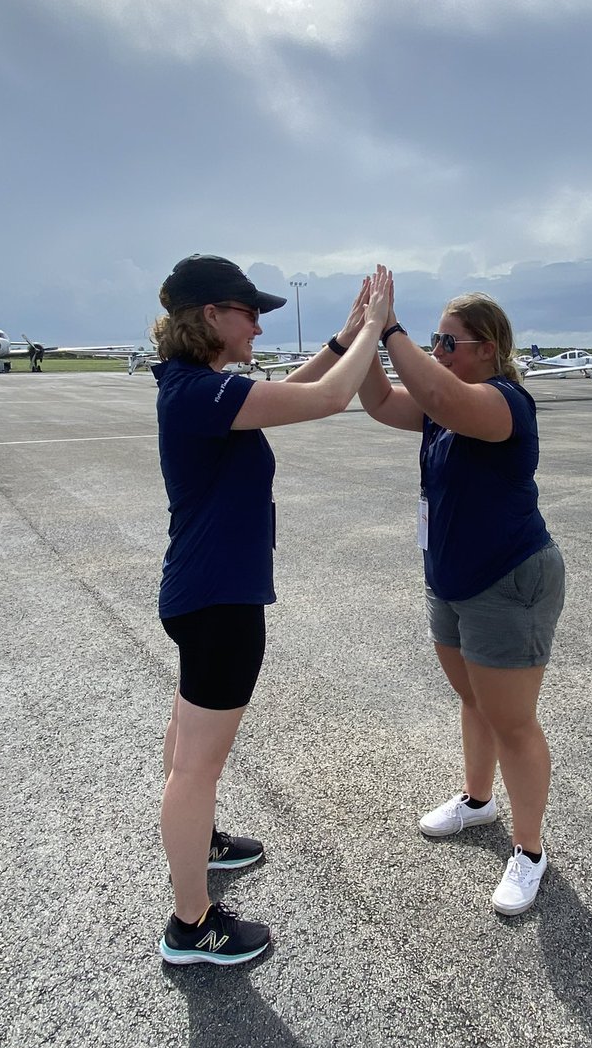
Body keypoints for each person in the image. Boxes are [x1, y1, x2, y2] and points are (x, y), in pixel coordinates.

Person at [151, 254, 390, 965]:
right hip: (218, 600)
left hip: (204, 592)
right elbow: (326, 401)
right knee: (195, 764)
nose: (258, 322)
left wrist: (347, 338)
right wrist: (377, 327)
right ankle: (192, 925)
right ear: (210, 318)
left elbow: (290, 390)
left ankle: (205, 842)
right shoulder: (198, 392)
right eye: (248, 310)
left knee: (187, 742)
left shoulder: (203, 388)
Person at [344, 271, 565, 916]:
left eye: (449, 340)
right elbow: (384, 401)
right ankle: (477, 801)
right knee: (473, 698)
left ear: (489, 350)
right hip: (451, 578)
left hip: (508, 579)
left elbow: (436, 392)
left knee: (513, 721)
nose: (438, 351)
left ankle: (529, 852)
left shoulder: (503, 401)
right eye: (435, 339)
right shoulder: (440, 410)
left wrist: (391, 328)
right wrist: (363, 335)